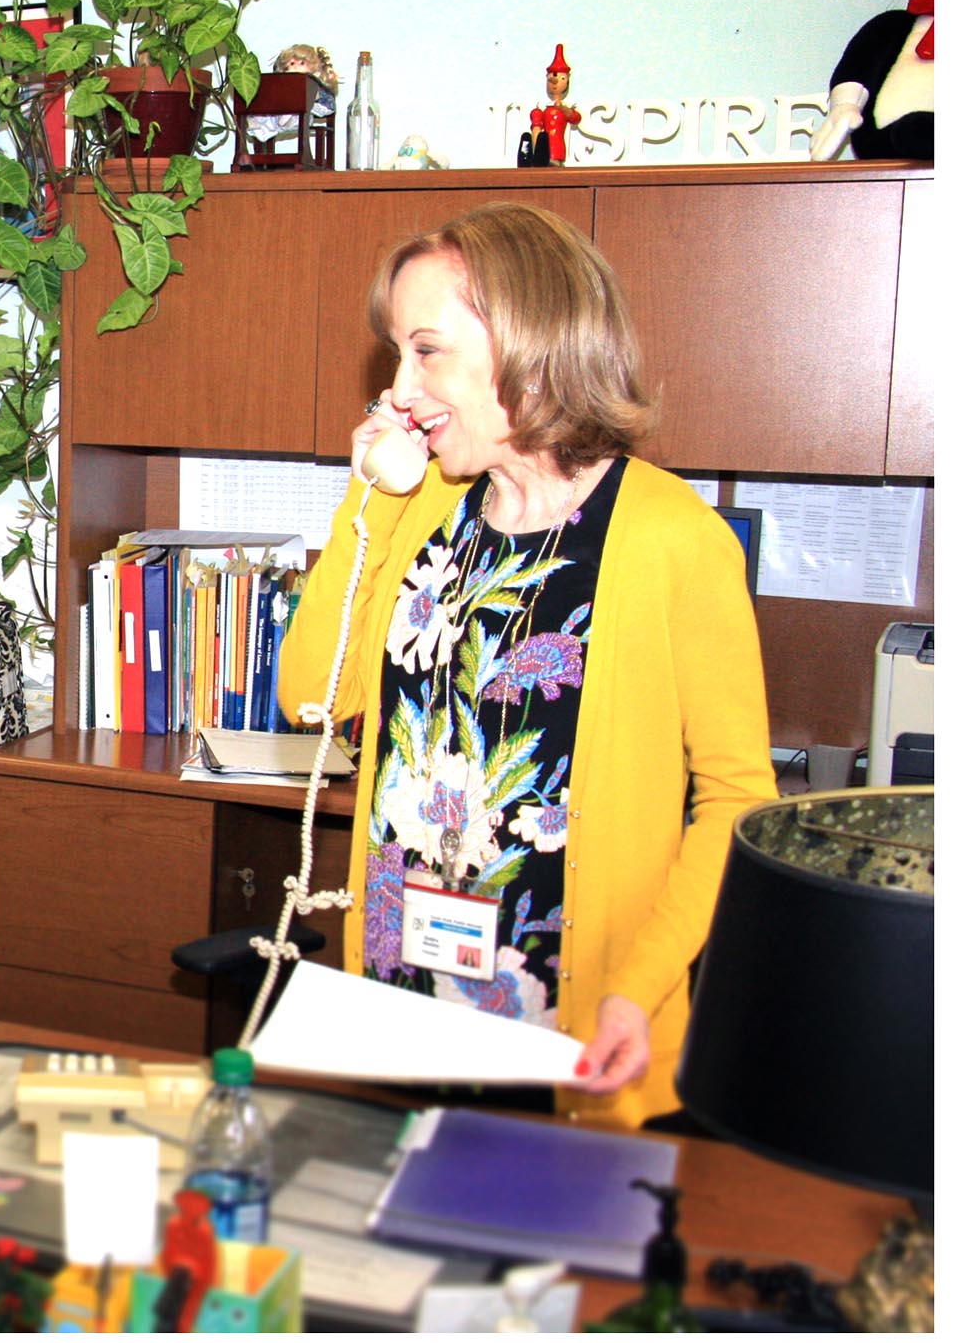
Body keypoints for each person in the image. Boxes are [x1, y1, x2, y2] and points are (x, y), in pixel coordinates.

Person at [276, 202, 776, 1130]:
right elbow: (311, 697)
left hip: (573, 1038)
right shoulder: (424, 510)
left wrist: (638, 987)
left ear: (533, 346)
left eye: (427, 352)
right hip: (397, 1018)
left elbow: (739, 797)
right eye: (395, 354)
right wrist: (372, 498)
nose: (398, 389)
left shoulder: (677, 541)